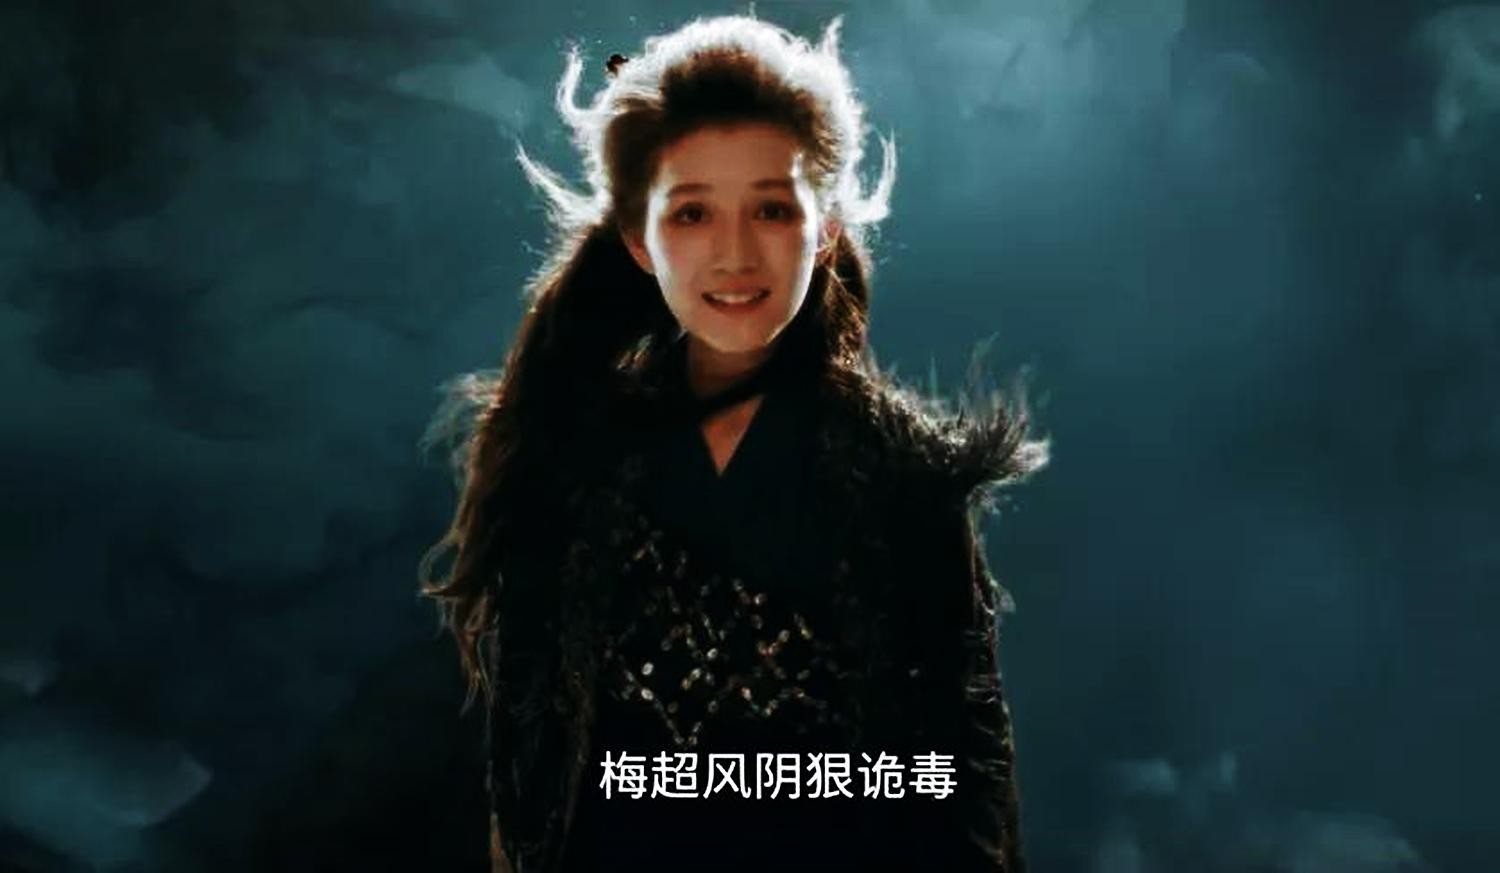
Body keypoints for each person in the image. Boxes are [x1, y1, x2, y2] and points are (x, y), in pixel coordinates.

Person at [419, 14, 1049, 873]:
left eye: (772, 208)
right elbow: (528, 776)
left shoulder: (905, 477)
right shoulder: (570, 459)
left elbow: (963, 786)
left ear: (825, 228)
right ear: (639, 240)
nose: (734, 254)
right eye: (692, 213)